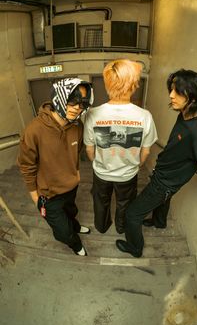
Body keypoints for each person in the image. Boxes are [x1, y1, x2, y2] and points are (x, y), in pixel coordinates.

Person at [116, 69, 197, 258]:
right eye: (171, 90)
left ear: (193, 98)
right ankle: (159, 222)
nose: (171, 96)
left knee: (132, 214)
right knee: (164, 200)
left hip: (163, 184)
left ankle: (135, 248)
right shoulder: (184, 114)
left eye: (177, 92)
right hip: (167, 179)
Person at [18, 78, 94, 256]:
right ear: (59, 97)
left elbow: (76, 153)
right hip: (48, 195)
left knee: (71, 213)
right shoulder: (34, 130)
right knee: (62, 232)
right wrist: (36, 199)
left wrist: (75, 174)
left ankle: (75, 226)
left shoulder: (78, 126)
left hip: (70, 187)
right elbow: (26, 166)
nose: (77, 107)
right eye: (72, 100)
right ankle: (75, 245)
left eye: (82, 103)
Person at [84, 59, 158, 234]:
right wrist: (136, 165)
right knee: (125, 203)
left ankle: (101, 227)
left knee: (100, 202)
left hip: (101, 173)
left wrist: (100, 163)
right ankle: (121, 227)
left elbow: (89, 149)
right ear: (132, 84)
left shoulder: (92, 114)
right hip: (127, 174)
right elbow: (146, 151)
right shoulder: (144, 116)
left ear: (108, 83)